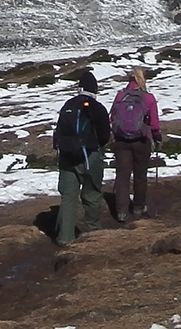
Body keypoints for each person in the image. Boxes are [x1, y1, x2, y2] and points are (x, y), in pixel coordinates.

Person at [52, 69, 111, 244]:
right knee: (91, 194)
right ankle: (93, 233)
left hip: (66, 158)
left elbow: (59, 131)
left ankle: (65, 237)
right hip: (89, 156)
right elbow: (105, 135)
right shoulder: (97, 108)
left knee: (68, 196)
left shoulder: (68, 105)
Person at [107, 67, 162, 220]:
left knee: (123, 175)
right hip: (141, 141)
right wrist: (156, 137)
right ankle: (138, 207)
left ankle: (121, 211)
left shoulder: (120, 95)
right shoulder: (148, 98)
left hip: (121, 141)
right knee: (140, 175)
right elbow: (155, 124)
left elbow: (112, 118)